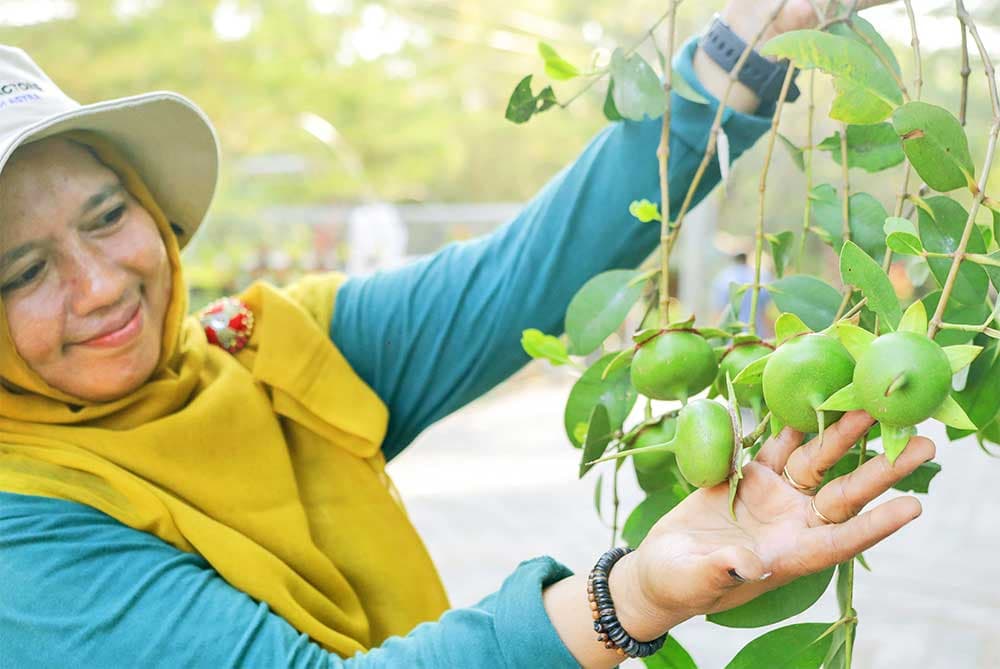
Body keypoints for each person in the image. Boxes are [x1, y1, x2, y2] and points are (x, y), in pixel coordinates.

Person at [0, 1, 930, 667]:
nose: (98, 284)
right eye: (24, 271)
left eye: (107, 213)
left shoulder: (260, 349)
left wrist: (739, 56)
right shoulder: (19, 533)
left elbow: (523, 276)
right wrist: (628, 596)